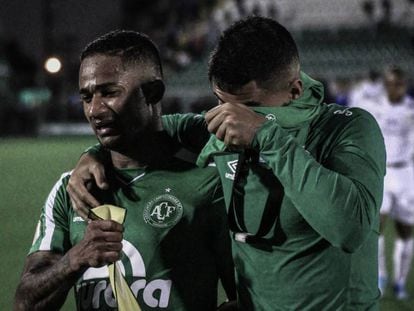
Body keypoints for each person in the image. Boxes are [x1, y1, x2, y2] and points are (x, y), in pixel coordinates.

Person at [68, 17, 386, 310]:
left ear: (295, 90)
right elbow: (147, 130)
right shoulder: (221, 130)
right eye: (223, 104)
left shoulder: (346, 129)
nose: (233, 120)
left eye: (249, 107)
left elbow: (350, 228)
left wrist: (268, 136)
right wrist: (94, 154)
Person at [14, 30, 236, 311]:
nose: (94, 110)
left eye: (109, 92)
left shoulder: (209, 184)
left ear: (152, 92)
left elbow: (245, 297)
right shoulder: (71, 189)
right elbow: (24, 304)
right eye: (86, 96)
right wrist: (74, 259)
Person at [356, 66, 414, 299]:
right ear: (385, 85)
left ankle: (400, 282)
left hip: (407, 172)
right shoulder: (374, 107)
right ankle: (380, 274)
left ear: (404, 85)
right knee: (376, 228)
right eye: (390, 83)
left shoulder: (411, 110)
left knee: (405, 232)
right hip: (382, 173)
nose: (394, 88)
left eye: (398, 84)